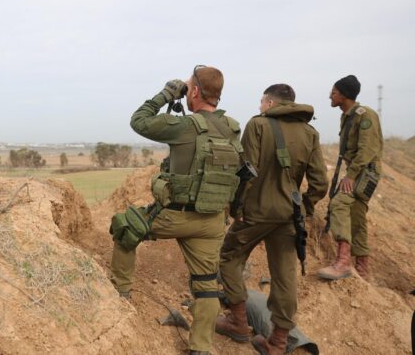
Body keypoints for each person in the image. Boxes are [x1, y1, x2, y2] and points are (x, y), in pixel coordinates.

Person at [110, 65, 242, 355]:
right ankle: (201, 348)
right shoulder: (232, 128)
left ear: (193, 91)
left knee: (125, 228)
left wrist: (168, 93)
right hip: (212, 221)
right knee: (207, 284)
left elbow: (139, 121)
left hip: (175, 216)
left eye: (189, 87)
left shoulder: (185, 126)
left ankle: (119, 294)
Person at [216, 84, 328, 355]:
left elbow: (247, 171)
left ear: (269, 102)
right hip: (290, 216)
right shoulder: (310, 133)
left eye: (261, 102)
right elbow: (320, 182)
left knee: (230, 257)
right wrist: (307, 208)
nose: (259, 107)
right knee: (285, 277)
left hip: (255, 213)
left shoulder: (257, 126)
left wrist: (237, 206)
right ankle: (277, 342)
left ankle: (239, 322)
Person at [318, 75, 383, 280]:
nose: (331, 95)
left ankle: (344, 262)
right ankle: (362, 268)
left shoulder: (365, 115)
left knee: (339, 203)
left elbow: (367, 149)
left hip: (364, 171)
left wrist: (352, 175)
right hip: (360, 170)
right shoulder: (348, 116)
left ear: (344, 95)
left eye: (334, 92)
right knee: (356, 215)